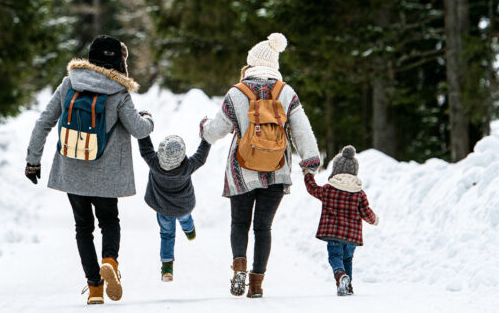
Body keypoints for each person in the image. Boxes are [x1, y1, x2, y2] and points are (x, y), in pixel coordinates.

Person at [24, 35, 154, 305]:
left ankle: (94, 288)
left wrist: (33, 160)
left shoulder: (70, 83)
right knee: (109, 221)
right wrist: (148, 118)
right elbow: (139, 129)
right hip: (107, 174)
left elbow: (43, 122)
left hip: (72, 170)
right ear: (118, 61)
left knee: (83, 227)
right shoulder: (118, 92)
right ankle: (110, 261)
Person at [200, 32, 322, 298]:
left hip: (241, 170)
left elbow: (216, 131)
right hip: (277, 170)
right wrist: (310, 164)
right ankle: (256, 285)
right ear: (274, 65)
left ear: (251, 63)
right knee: (263, 227)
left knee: (239, 224)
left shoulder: (237, 93)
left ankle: (239, 267)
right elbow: (302, 131)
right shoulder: (286, 92)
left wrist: (204, 129)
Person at [136, 127, 211, 282]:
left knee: (167, 234)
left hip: (163, 209)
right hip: (184, 207)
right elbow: (201, 157)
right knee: (185, 219)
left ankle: (167, 269)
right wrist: (206, 138)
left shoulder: (154, 163)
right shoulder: (187, 166)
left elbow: (145, 148)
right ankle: (190, 231)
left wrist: (142, 125)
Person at [303, 145, 378, 296]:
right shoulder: (359, 194)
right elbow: (365, 212)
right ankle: (347, 286)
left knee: (335, 257)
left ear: (336, 170)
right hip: (352, 236)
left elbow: (312, 189)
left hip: (334, 234)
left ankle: (340, 276)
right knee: (348, 259)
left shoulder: (328, 189)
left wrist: (308, 174)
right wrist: (374, 219)